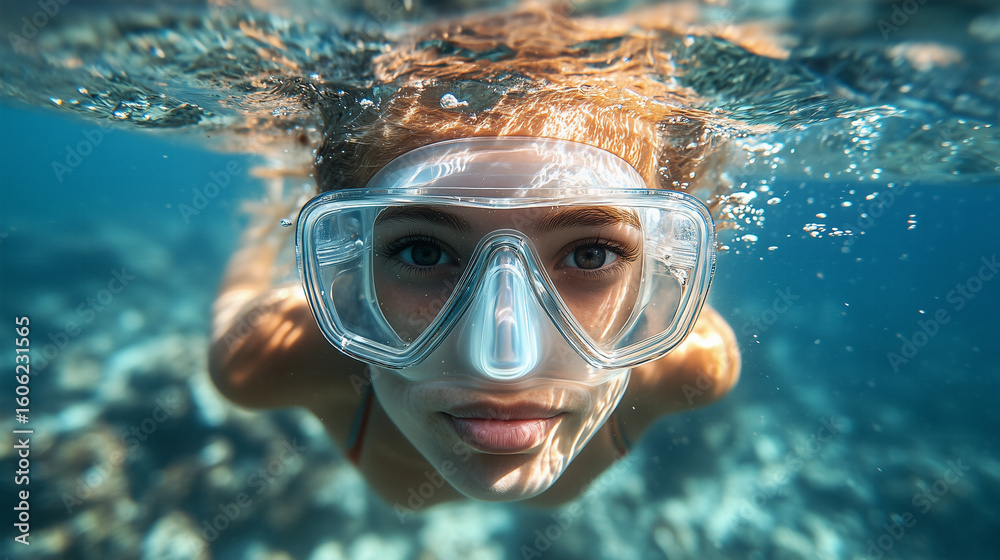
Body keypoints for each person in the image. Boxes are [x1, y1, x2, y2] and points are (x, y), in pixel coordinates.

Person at [209, 6, 740, 508]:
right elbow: (243, 289)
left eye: (589, 255)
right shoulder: (264, 359)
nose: (505, 366)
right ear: (346, 281)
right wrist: (265, 223)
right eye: (423, 252)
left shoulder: (695, 363)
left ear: (652, 293)